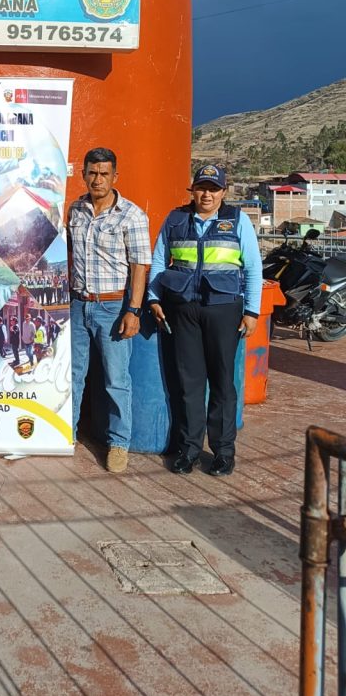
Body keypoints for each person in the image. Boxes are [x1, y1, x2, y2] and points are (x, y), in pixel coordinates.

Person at [148, 165, 262, 477]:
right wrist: (154, 298)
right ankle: (189, 450)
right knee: (190, 383)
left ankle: (223, 452)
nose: (207, 194)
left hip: (223, 309)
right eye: (201, 188)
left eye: (213, 189)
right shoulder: (175, 219)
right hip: (184, 310)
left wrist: (252, 311)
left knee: (223, 383)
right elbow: (159, 260)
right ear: (193, 190)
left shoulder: (237, 221)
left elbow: (253, 267)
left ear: (223, 192)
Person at [68, 147, 151, 473]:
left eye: (104, 174)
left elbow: (140, 266)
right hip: (78, 304)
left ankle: (118, 444)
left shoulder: (131, 215)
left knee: (116, 379)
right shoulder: (76, 210)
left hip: (113, 307)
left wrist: (134, 310)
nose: (98, 179)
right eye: (92, 173)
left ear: (115, 176)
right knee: (72, 375)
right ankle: (67, 434)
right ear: (84, 174)